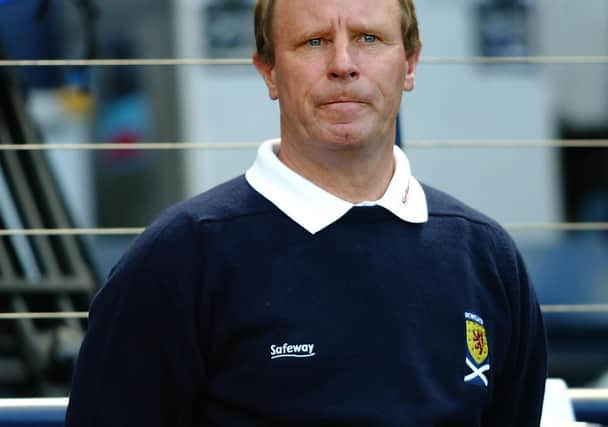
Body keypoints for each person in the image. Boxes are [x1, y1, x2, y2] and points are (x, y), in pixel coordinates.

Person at [65, 0, 547, 425]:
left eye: (369, 38)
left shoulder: (486, 259)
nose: (343, 64)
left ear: (411, 64)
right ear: (269, 72)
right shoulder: (179, 260)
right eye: (314, 41)